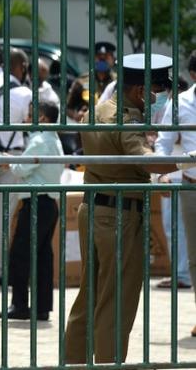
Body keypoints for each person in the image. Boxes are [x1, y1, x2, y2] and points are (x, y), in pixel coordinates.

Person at [64, 53, 191, 364]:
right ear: (140, 92)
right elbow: (146, 161)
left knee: (90, 295)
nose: (163, 99)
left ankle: (74, 361)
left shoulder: (97, 110)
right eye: (161, 91)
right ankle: (110, 363)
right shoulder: (126, 120)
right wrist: (190, 158)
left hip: (94, 208)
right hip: (120, 217)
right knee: (117, 300)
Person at [0, 100, 64, 321]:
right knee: (42, 256)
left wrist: (8, 163)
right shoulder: (52, 139)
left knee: (20, 255)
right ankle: (41, 308)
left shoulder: (40, 140)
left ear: (42, 118)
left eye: (31, 114)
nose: (26, 118)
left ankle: (20, 305)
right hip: (48, 203)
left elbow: (22, 169)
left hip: (36, 202)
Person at [0, 48, 33, 285]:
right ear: (21, 66)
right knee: (3, 215)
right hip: (10, 157)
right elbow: (30, 124)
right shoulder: (23, 92)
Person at [155, 75, 196, 336]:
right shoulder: (180, 103)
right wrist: (161, 172)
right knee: (195, 257)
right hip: (192, 185)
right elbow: (163, 142)